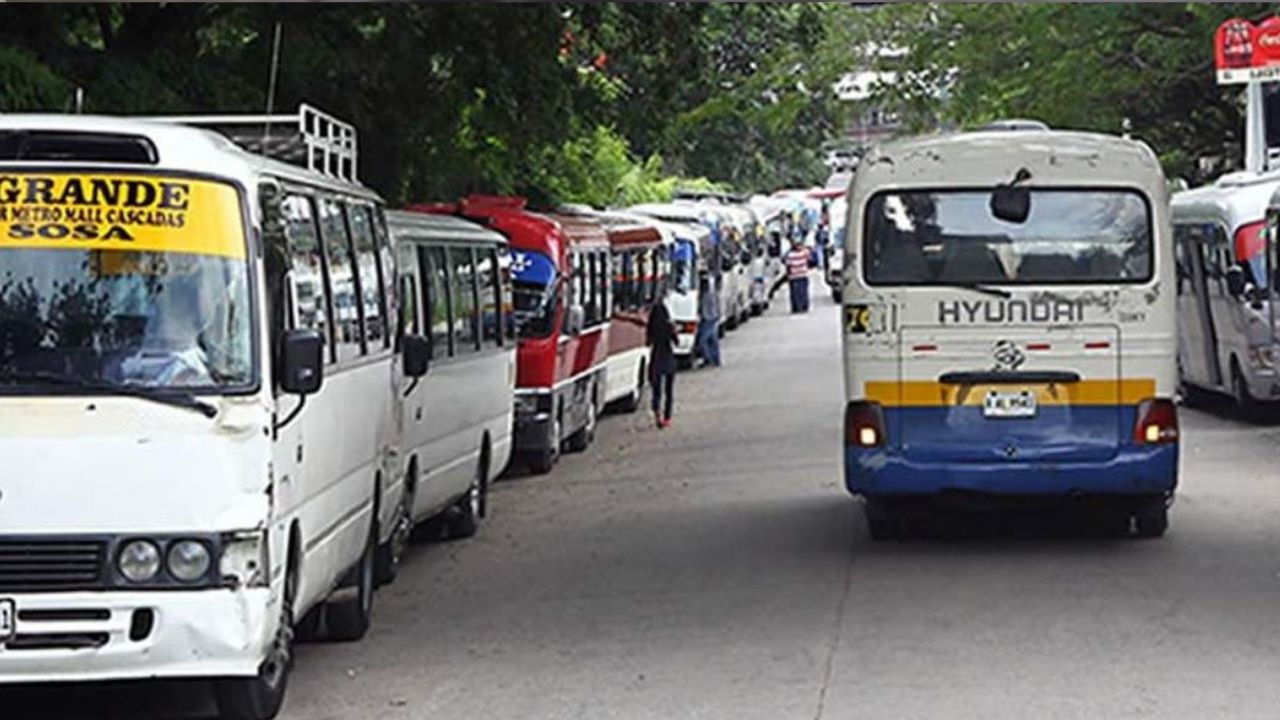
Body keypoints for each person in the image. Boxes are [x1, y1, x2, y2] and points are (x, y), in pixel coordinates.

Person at [646, 299, 678, 429]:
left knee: (656, 390)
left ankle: (657, 414)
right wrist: (673, 330)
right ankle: (667, 417)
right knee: (669, 391)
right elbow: (676, 342)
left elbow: (648, 342)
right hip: (668, 359)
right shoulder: (668, 326)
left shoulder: (651, 328)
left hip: (656, 359)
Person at [696, 272, 721, 368]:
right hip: (711, 317)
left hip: (709, 318)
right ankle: (715, 359)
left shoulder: (707, 294)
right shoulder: (711, 292)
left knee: (703, 340)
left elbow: (706, 307)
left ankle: (708, 359)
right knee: (712, 340)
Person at [785, 239, 811, 313]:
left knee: (795, 293)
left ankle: (796, 307)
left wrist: (788, 274)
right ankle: (803, 306)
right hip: (802, 275)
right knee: (803, 292)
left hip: (794, 276)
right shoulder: (804, 252)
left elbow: (787, 264)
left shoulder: (790, 254)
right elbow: (810, 258)